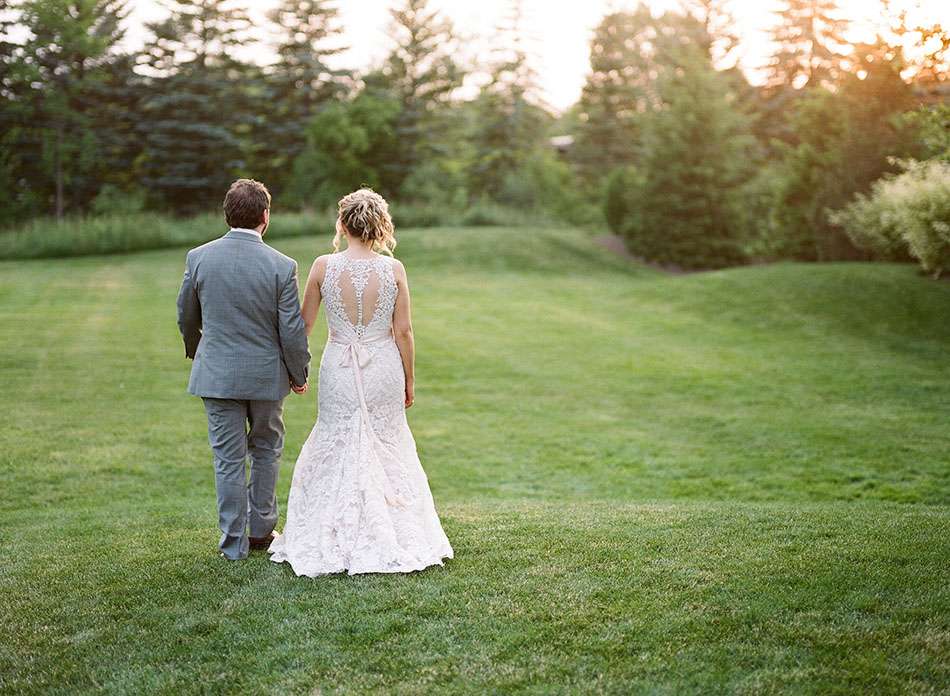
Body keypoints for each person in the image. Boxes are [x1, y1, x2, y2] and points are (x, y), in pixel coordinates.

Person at [268, 188, 453, 576]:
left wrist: (295, 372)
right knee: (386, 439)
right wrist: (410, 380)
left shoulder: (322, 267)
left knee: (337, 435)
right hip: (383, 364)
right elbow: (403, 332)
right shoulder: (394, 270)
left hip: (338, 364)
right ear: (379, 226)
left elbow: (302, 328)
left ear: (342, 224)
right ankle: (393, 530)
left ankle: (331, 528)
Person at [177, 179, 310, 561]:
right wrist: (299, 374)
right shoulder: (282, 266)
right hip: (267, 378)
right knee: (266, 450)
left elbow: (186, 316)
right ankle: (262, 533)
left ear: (227, 214)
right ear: (265, 216)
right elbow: (292, 331)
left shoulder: (198, 257)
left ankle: (232, 544)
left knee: (228, 459)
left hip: (216, 374)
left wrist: (197, 350)